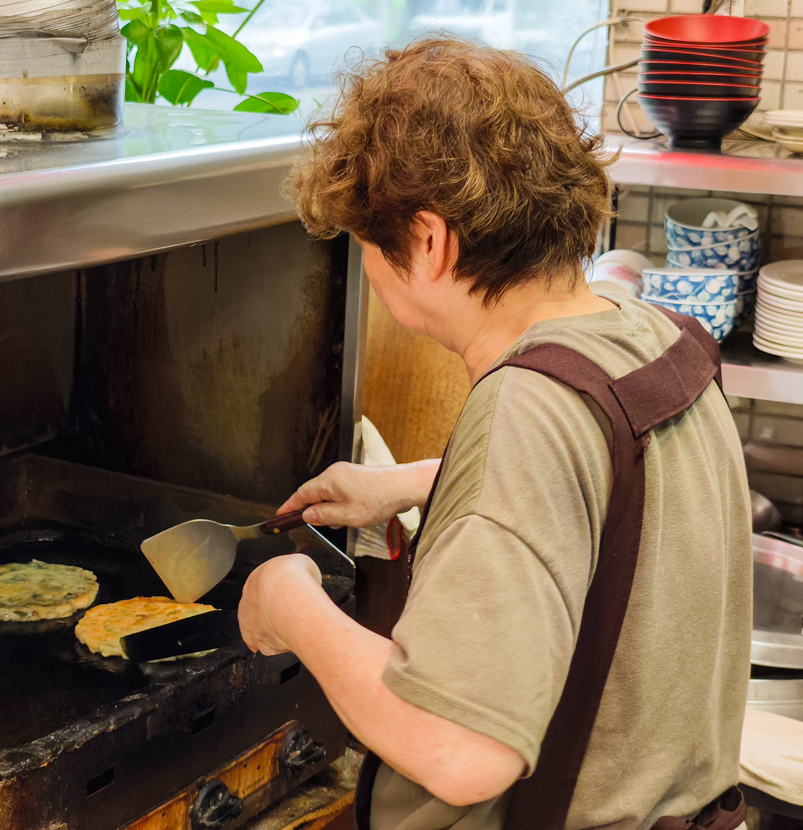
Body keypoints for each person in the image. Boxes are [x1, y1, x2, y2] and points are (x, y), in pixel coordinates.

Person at [237, 37, 752, 830]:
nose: (366, 265)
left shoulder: (526, 409)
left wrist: (291, 603)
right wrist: (417, 482)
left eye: (368, 243)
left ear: (431, 242)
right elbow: (615, 478)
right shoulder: (659, 338)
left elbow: (462, 750)